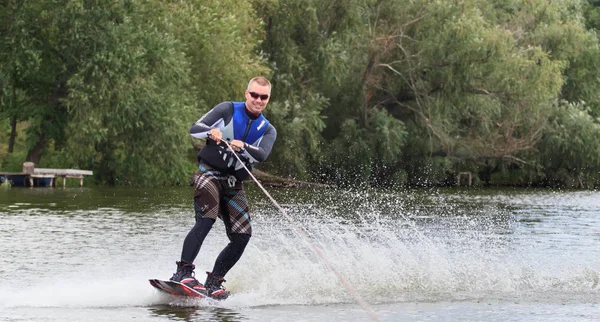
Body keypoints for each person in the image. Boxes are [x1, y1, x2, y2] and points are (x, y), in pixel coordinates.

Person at [170, 77, 277, 299]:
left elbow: (263, 154)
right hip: (209, 173)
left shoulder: (268, 130)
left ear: (267, 99)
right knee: (206, 218)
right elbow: (195, 128)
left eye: (263, 97)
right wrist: (211, 133)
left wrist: (244, 145)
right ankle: (183, 272)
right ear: (246, 94)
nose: (258, 100)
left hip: (233, 183)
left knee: (242, 236)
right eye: (254, 95)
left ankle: (214, 281)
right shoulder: (227, 109)